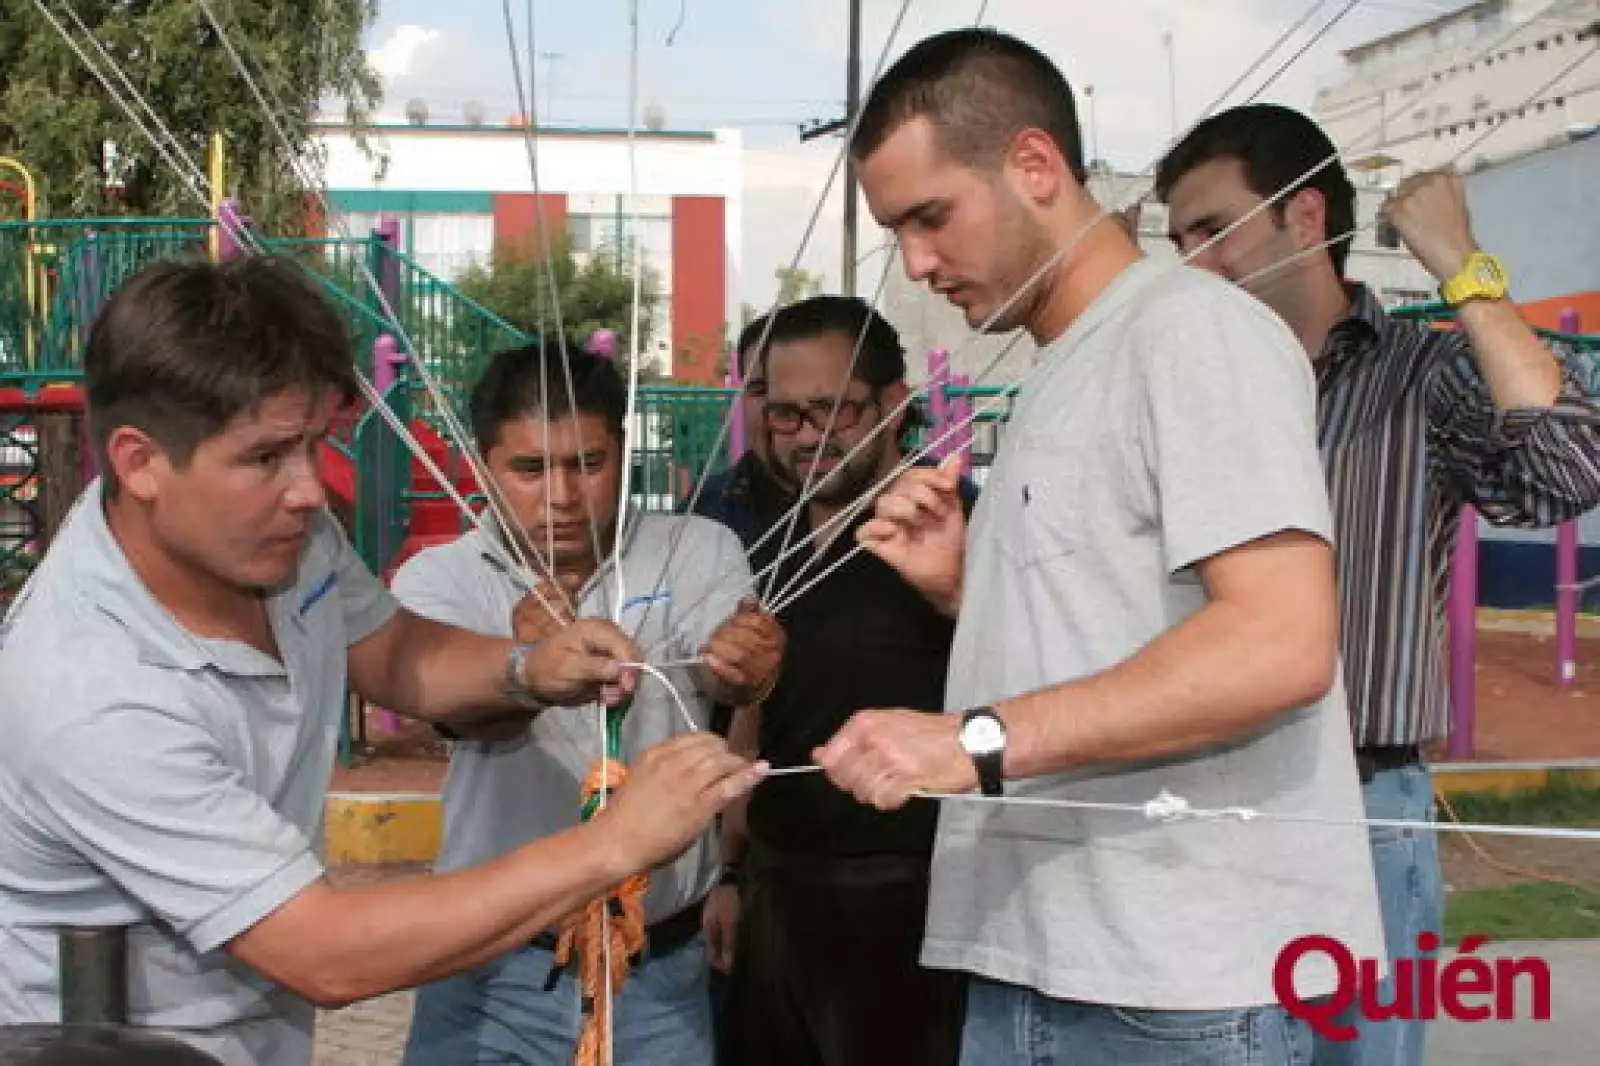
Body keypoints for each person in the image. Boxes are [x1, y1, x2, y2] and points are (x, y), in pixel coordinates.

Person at [0, 256, 763, 1066]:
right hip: (108, 1050)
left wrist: (528, 668)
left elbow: (392, 650)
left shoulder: (273, 540)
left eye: (314, 446)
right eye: (266, 457)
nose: (309, 490)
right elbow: (326, 951)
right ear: (140, 462)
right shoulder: (93, 694)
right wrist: (615, 845)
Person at [811, 28, 1386, 1066]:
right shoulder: (1059, 368)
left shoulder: (1191, 331)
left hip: (1177, 984)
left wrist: (971, 739)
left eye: (929, 217)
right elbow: (1123, 627)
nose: (916, 263)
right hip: (1055, 957)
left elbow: (1277, 645)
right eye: (895, 231)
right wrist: (968, 589)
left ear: (1034, 165)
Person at [1152, 102, 1600, 1065]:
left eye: (1212, 228)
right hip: (1191, 800)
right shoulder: (1193, 383)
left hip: (1360, 804)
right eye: (1178, 238)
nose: (1193, 260)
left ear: (1304, 220)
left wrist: (1462, 265)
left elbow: (1568, 471)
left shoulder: (1420, 371)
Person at [396, 343, 784, 1066]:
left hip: (658, 967)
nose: (563, 497)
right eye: (530, 469)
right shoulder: (439, 580)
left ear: (624, 450)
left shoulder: (701, 549)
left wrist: (752, 669)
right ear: (482, 466)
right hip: (487, 964)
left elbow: (732, 692)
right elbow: (457, 712)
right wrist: (524, 668)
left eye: (589, 464)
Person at [702, 296, 971, 1066]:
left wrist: (959, 592)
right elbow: (753, 718)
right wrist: (731, 871)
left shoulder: (950, 529)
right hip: (778, 894)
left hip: (908, 906)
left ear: (896, 404)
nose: (809, 437)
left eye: (835, 410)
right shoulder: (760, 533)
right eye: (784, 414)